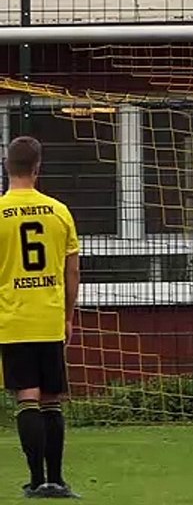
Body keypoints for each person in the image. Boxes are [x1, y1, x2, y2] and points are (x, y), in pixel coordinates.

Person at [0, 136, 81, 499]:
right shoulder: (59, 211)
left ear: (6, 168)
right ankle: (57, 480)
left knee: (27, 398)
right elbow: (72, 272)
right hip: (48, 316)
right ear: (37, 168)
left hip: (12, 319)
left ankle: (35, 481)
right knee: (51, 398)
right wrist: (68, 316)